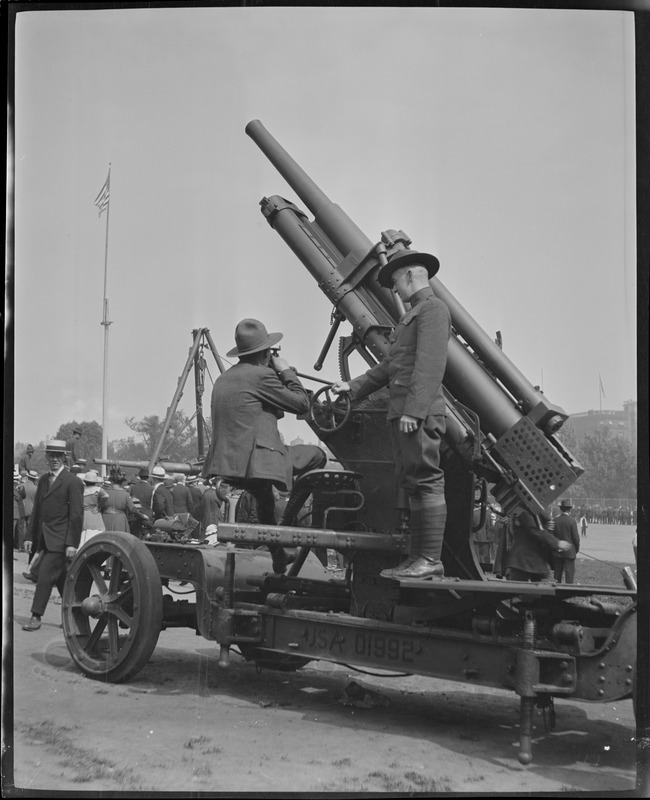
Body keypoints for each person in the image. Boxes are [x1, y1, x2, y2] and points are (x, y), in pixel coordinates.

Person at [331, 249, 451, 579]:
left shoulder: (433, 310)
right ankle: (418, 559)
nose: (395, 289)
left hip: (417, 415)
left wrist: (415, 410)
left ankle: (429, 558)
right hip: (403, 414)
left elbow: (430, 365)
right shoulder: (413, 315)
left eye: (396, 281)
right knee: (412, 481)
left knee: (425, 479)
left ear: (411, 276)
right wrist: (352, 389)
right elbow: (390, 368)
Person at [201, 318, 326, 573]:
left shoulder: (225, 379)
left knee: (265, 501)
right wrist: (286, 371)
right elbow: (301, 403)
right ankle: (286, 524)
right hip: (259, 462)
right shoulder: (262, 375)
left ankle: (278, 554)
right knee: (318, 456)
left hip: (231, 464)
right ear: (267, 353)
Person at [22, 439, 83, 631]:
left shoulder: (73, 482)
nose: (55, 459)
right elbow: (37, 512)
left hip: (60, 540)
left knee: (44, 576)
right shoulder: (42, 480)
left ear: (64, 458)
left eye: (58, 456)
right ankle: (74, 617)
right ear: (47, 457)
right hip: (44, 539)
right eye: (51, 456)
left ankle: (36, 616)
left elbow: (76, 515)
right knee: (61, 580)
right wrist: (29, 537)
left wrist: (72, 543)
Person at [505, 509, 571, 582]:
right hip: (524, 560)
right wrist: (557, 543)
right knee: (517, 588)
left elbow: (539, 529)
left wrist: (547, 527)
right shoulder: (523, 512)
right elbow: (535, 531)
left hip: (536, 560)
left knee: (543, 589)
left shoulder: (535, 511)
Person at [101, 467, 144, 533]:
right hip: (120, 520)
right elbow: (132, 509)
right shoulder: (125, 494)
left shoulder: (104, 492)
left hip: (106, 518)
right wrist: (141, 515)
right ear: (121, 483)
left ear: (111, 482)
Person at [552, 499, 580, 584]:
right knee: (569, 575)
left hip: (558, 551)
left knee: (557, 575)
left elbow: (552, 536)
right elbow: (576, 538)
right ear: (569, 509)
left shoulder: (555, 520)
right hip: (570, 551)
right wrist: (576, 549)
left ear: (561, 509)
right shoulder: (572, 521)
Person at [80, 470, 108, 543]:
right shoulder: (98, 490)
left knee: (83, 534)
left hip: (84, 513)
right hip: (94, 513)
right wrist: (99, 507)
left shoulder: (81, 490)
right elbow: (106, 496)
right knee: (96, 532)